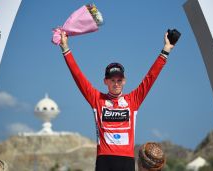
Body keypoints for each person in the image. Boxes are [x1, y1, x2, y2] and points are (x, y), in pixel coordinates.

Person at [59, 31, 175, 171]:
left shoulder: (133, 100)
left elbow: (151, 77)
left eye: (119, 80)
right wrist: (65, 48)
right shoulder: (97, 99)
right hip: (104, 160)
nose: (116, 83)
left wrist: (166, 49)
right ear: (105, 81)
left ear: (124, 81)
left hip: (126, 161)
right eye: (112, 80)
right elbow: (78, 76)